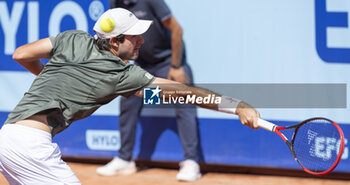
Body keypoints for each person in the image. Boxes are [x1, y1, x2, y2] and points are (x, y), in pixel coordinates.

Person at [0, 8, 260, 184]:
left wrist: (47, 78)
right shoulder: (123, 75)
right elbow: (186, 94)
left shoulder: (72, 38)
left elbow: (21, 54)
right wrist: (236, 106)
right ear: (115, 41)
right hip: (32, 147)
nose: (141, 42)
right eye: (134, 37)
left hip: (7, 136)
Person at [95, 0, 201, 181]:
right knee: (128, 102)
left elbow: (177, 29)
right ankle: (124, 159)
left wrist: (176, 66)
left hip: (169, 62)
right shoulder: (114, 3)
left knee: (184, 101)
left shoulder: (151, 1)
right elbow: (119, 39)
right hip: (143, 65)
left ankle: (191, 162)